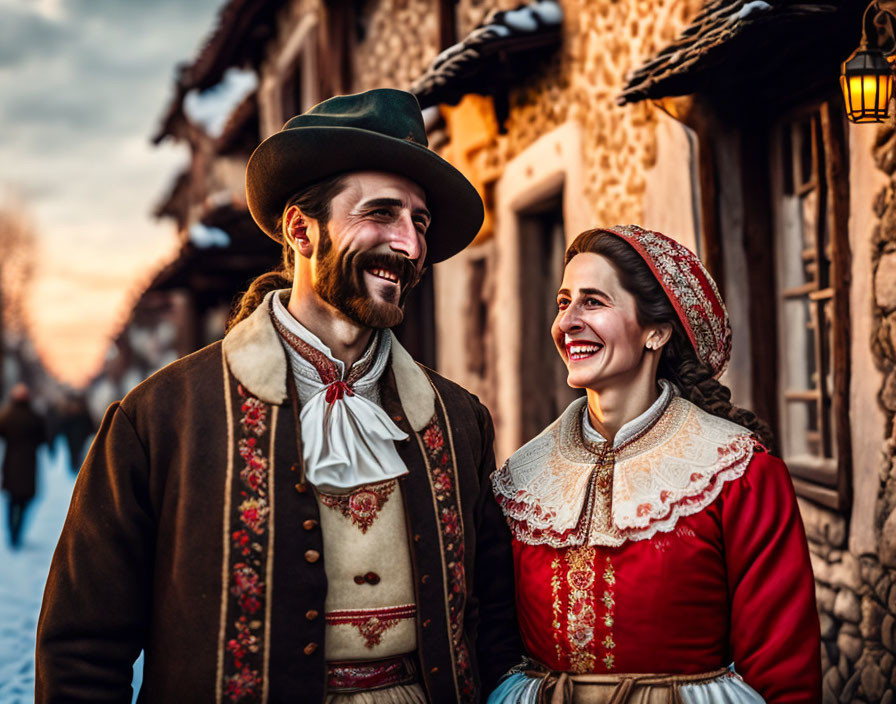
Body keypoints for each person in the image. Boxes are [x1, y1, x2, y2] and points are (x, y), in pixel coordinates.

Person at [36, 89, 520, 703]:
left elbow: (494, 622)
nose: (410, 245)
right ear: (301, 230)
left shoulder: (458, 421)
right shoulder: (161, 419)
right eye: (381, 214)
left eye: (419, 223)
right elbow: (82, 651)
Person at [488, 226, 821, 703]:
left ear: (656, 332)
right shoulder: (523, 478)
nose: (568, 322)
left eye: (594, 302)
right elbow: (492, 639)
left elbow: (785, 673)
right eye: (564, 302)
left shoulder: (738, 473)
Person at [0, 382, 46, 549]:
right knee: (25, 499)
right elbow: (43, 438)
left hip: (11, 463)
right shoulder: (34, 417)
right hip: (29, 464)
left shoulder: (7, 415)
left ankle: (12, 532)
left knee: (12, 500)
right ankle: (16, 532)